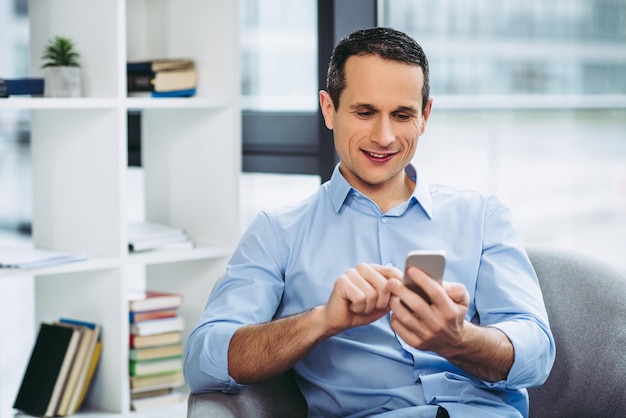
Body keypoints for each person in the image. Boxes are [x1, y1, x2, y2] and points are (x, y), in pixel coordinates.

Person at [184, 27, 555, 418]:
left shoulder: (483, 217)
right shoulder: (278, 232)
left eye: (402, 115)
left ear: (425, 116)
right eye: (365, 112)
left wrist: (457, 339)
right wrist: (321, 320)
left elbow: (537, 354)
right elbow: (202, 361)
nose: (384, 137)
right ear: (329, 109)